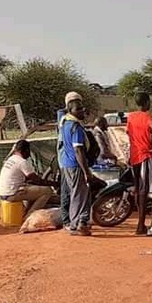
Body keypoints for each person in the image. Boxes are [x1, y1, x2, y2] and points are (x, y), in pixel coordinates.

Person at [59, 99, 94, 236]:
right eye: (77, 109)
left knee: (76, 194)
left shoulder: (65, 124)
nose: (81, 111)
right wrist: (86, 171)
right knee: (80, 195)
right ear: (70, 111)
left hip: (67, 164)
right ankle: (76, 224)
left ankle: (77, 223)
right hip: (75, 165)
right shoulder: (75, 127)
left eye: (81, 108)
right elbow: (78, 150)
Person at [126, 92, 152, 236]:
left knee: (138, 187)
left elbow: (129, 134)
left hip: (134, 155)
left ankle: (140, 222)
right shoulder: (147, 116)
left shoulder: (131, 117)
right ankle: (140, 224)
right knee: (144, 190)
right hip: (145, 154)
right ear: (146, 102)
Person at [0, 140, 56, 214]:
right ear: (25, 150)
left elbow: (27, 179)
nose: (29, 154)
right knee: (47, 191)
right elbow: (38, 181)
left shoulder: (11, 159)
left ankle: (25, 211)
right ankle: (29, 215)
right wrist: (54, 183)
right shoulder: (22, 162)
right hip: (12, 194)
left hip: (4, 193)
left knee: (31, 189)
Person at [57, 91, 82, 230]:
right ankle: (69, 220)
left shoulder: (66, 118)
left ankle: (71, 219)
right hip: (68, 160)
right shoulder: (66, 119)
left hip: (66, 159)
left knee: (70, 190)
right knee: (69, 191)